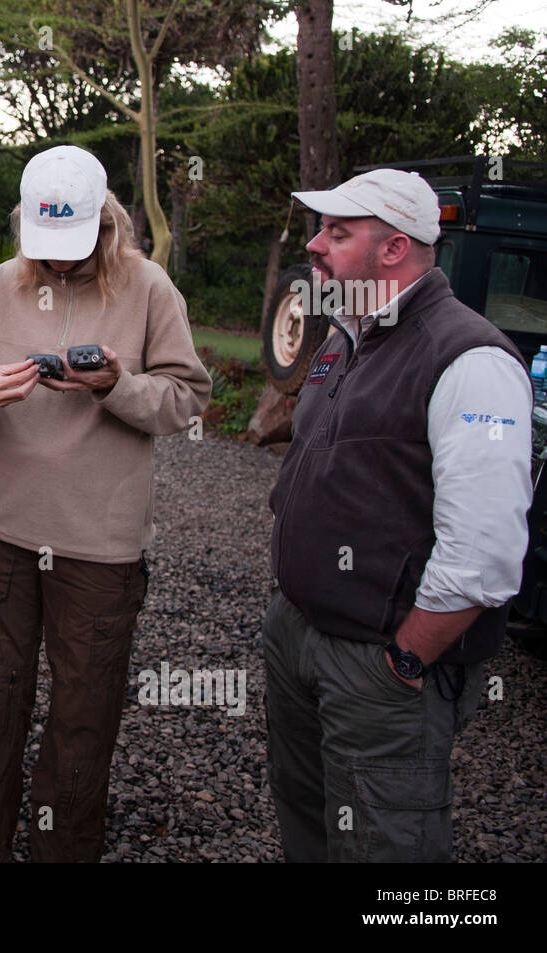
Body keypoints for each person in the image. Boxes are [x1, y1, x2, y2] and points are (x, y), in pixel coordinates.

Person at [0, 145, 211, 862]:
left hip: (99, 546)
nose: (55, 264)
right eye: (43, 246)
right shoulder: (0, 284)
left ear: (105, 220)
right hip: (5, 532)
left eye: (71, 246)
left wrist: (117, 385)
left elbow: (187, 397)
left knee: (82, 718)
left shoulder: (149, 288)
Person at [262, 169, 531, 862]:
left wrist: (404, 660)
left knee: (385, 848)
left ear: (393, 250)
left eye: (338, 232)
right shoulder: (345, 333)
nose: (315, 247)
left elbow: (484, 553)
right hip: (300, 635)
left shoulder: (468, 358)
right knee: (311, 825)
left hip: (381, 662)